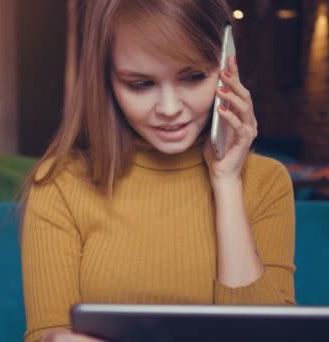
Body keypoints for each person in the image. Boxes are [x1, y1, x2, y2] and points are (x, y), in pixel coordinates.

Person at [20, 0, 296, 341]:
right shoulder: (60, 185)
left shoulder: (267, 184)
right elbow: (47, 334)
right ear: (105, 80)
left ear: (227, 67)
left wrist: (226, 183)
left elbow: (265, 337)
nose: (169, 109)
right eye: (140, 84)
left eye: (193, 77)